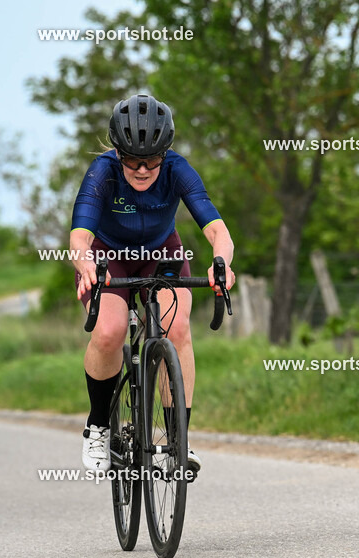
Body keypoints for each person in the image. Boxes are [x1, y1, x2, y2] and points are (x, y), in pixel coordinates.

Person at [70, 93, 235, 473]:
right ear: (117, 153)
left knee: (176, 329)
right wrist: (87, 265)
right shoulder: (101, 172)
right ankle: (97, 425)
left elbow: (217, 230)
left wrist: (221, 262)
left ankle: (179, 437)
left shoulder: (178, 169)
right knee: (109, 332)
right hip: (108, 256)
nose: (142, 170)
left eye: (152, 161)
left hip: (162, 253)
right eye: (131, 160)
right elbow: (79, 238)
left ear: (166, 153)